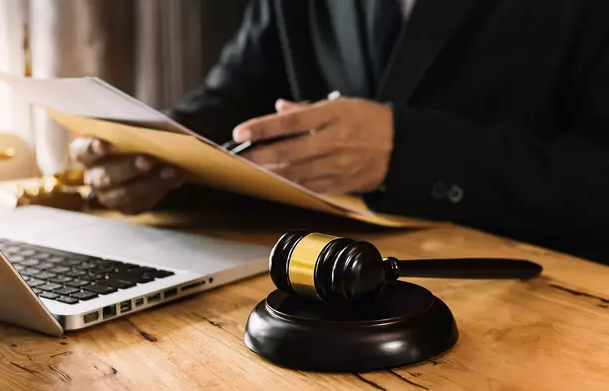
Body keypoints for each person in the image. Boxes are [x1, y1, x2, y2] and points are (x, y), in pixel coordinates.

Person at [71, 0, 609, 263]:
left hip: (532, 295)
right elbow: (236, 97)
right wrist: (155, 149)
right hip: (321, 279)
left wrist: (414, 151)